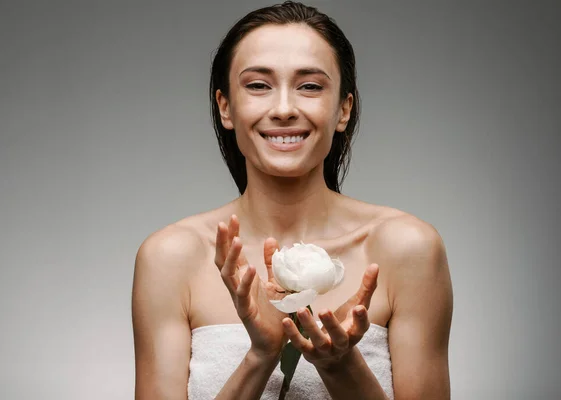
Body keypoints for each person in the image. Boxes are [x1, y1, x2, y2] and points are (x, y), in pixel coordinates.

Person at [131, 1, 453, 399]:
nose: (284, 109)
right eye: (258, 86)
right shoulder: (171, 257)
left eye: (310, 86)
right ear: (226, 107)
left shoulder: (407, 248)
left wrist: (340, 364)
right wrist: (261, 355)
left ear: (343, 109)